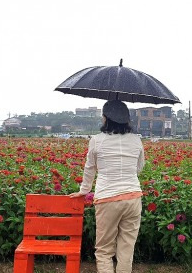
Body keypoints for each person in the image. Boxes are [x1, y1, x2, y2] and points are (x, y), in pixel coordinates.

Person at [68, 100, 145, 273]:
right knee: (126, 249)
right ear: (126, 119)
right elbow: (139, 168)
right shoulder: (136, 140)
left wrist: (84, 191)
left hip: (107, 199)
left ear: (105, 118)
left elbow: (90, 168)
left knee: (104, 251)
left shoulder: (97, 140)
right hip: (133, 196)